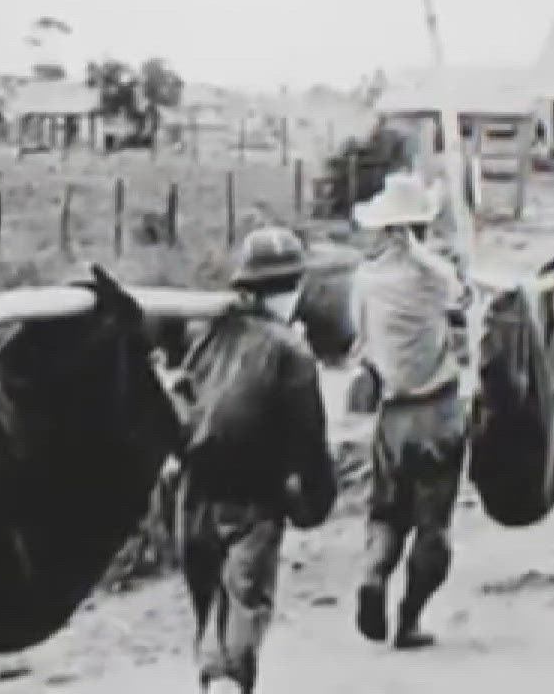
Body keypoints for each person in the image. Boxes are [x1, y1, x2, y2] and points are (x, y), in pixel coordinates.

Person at [168, 226, 337, 694]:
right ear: (295, 286)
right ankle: (226, 682)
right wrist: (316, 501)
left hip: (192, 493)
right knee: (244, 605)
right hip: (254, 497)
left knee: (209, 606)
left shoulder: (206, 330)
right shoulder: (291, 351)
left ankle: (213, 677)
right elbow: (310, 439)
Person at [347, 172, 472, 650]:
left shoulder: (366, 279)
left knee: (385, 513)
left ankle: (373, 574)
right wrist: (427, 254)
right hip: (436, 411)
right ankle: (409, 618)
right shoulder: (431, 279)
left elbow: (359, 344)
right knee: (432, 526)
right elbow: (461, 297)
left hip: (391, 415)